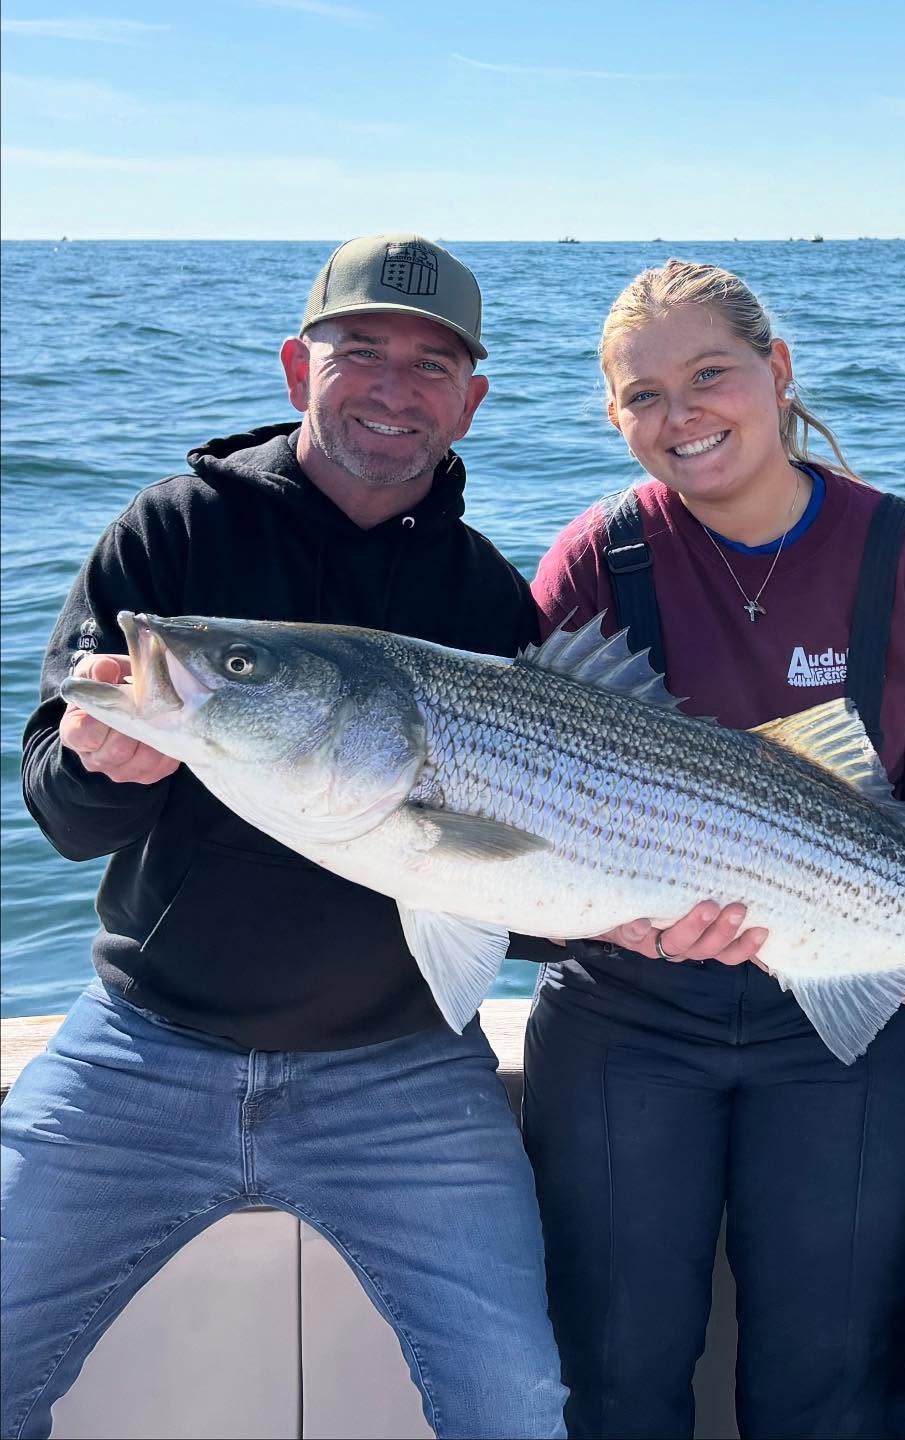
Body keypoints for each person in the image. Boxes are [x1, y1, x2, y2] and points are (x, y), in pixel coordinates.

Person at [2, 234, 568, 1440]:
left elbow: (515, 886)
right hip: (143, 1053)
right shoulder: (172, 540)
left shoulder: (485, 599)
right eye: (358, 350)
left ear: (471, 400)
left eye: (431, 364)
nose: (391, 387)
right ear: (295, 369)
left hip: (404, 1070)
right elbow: (56, 806)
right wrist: (108, 768)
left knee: (515, 1405)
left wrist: (649, 926)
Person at [522, 257, 905, 1439]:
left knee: (831, 1382)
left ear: (779, 372)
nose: (681, 415)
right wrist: (607, 917)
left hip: (841, 1020)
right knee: (613, 1372)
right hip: (624, 1016)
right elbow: (526, 805)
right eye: (642, 396)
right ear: (613, 418)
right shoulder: (597, 560)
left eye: (711, 375)